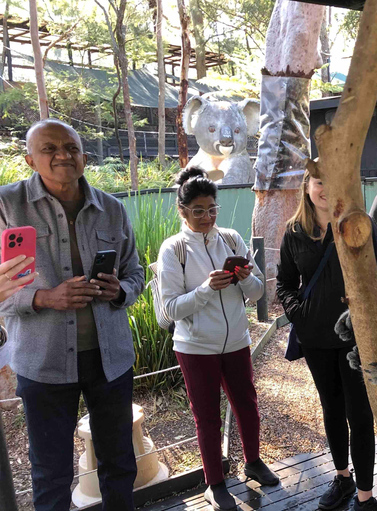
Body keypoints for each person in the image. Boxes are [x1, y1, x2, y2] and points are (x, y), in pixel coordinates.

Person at [0, 118, 145, 511]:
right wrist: (45, 297)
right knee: (51, 472)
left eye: (72, 147)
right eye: (49, 149)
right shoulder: (7, 206)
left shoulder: (111, 209)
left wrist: (121, 290)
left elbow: (136, 272)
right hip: (42, 362)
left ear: (84, 155)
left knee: (119, 462)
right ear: (31, 159)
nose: (63, 155)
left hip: (109, 360)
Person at [157, 167, 278, 510]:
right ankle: (215, 482)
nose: (206, 217)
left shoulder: (231, 238)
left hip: (237, 340)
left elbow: (255, 294)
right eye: (198, 211)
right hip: (196, 347)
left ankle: (253, 461)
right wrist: (207, 289)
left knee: (248, 405)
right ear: (182, 211)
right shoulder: (174, 249)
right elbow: (170, 309)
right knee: (207, 416)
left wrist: (243, 279)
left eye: (212, 209)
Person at [276, 171, 377, 511]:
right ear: (307, 187)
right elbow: (284, 283)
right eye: (318, 181)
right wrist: (300, 314)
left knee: (360, 412)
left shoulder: (359, 224)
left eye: (331, 180)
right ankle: (342, 478)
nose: (325, 189)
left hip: (356, 338)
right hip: (316, 339)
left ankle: (366, 496)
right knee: (332, 408)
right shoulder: (295, 232)